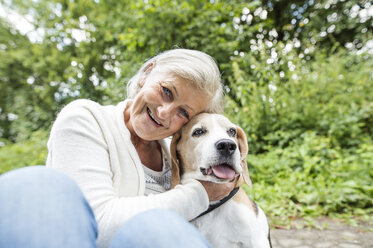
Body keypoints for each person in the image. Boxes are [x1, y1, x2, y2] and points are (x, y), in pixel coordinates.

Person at [0, 49, 237, 248]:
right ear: (147, 74)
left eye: (183, 112)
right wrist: (199, 194)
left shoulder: (178, 153)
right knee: (34, 184)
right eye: (166, 91)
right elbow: (99, 224)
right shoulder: (86, 118)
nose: (164, 113)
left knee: (163, 229)